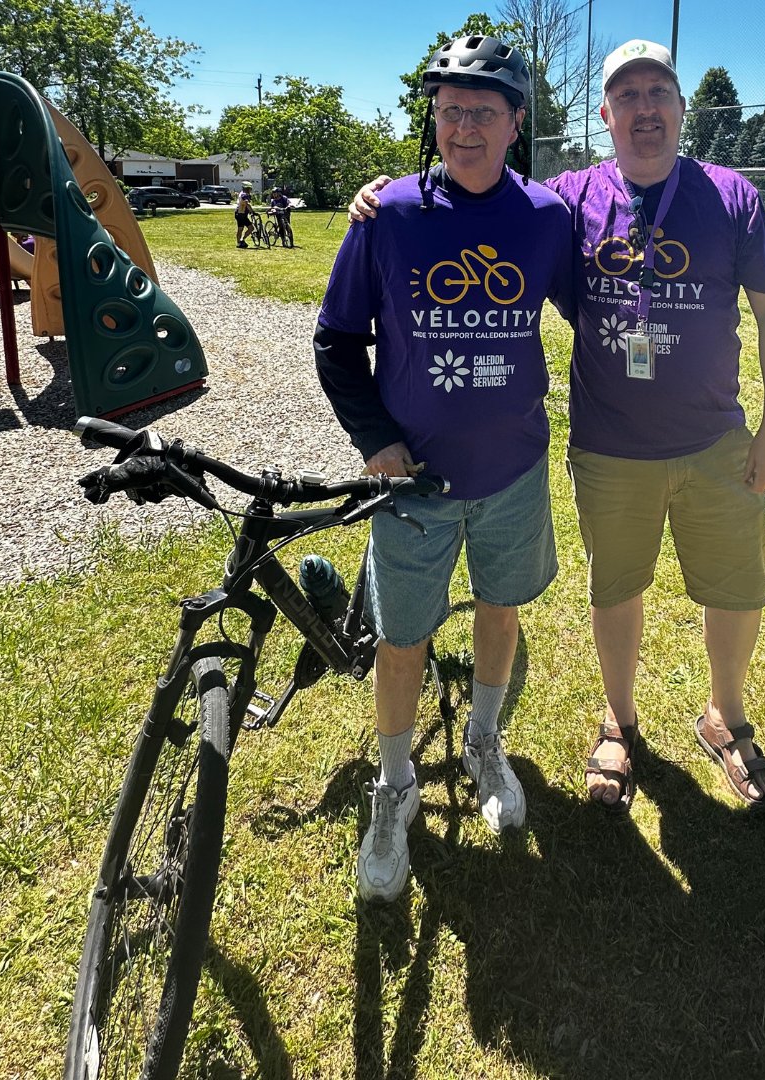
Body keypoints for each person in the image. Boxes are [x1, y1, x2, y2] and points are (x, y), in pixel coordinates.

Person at [352, 39, 765, 816]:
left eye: (658, 91)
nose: (644, 109)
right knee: (615, 589)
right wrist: (390, 192)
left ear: (681, 106)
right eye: (626, 96)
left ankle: (726, 717)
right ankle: (619, 724)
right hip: (611, 445)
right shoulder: (569, 199)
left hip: (716, 440)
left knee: (734, 590)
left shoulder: (732, 195)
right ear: (605, 114)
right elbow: (481, 194)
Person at [315, 34, 573, 903]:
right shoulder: (387, 214)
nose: (464, 126)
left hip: (512, 472)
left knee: (500, 611)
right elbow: (337, 341)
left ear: (515, 123)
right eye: (450, 108)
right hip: (413, 483)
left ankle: (483, 743)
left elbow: (603, 291)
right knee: (402, 638)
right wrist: (375, 441)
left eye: (484, 111)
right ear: (433, 117)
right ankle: (395, 788)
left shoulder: (545, 217)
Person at [234, 181, 254, 248]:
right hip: (240, 214)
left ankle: (242, 240)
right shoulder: (244, 195)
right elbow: (247, 204)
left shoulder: (244, 194)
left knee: (251, 228)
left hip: (243, 214)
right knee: (240, 229)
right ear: (247, 188)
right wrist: (252, 211)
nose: (250, 190)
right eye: (250, 189)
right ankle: (239, 243)